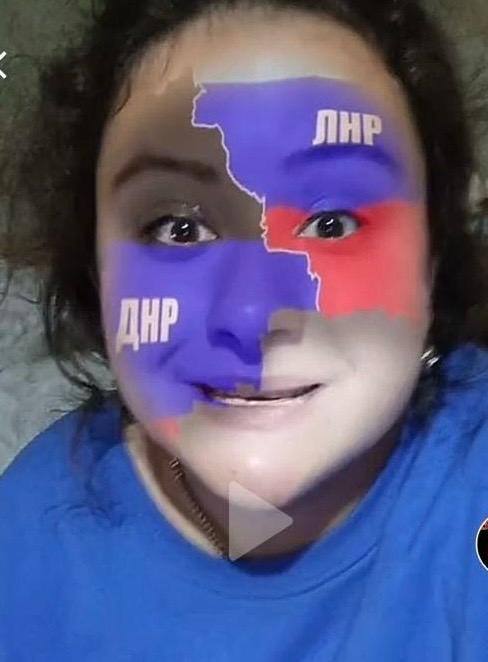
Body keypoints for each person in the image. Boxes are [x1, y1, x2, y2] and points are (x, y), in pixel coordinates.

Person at [1, 0, 488, 659]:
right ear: (98, 273)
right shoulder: (32, 539)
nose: (252, 315)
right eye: (179, 229)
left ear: (432, 262)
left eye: (332, 224)